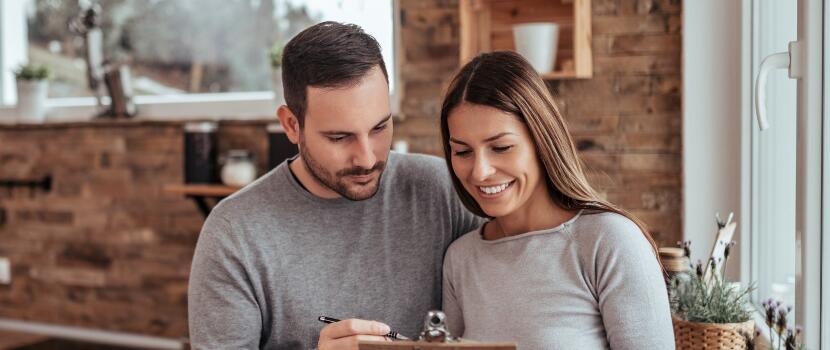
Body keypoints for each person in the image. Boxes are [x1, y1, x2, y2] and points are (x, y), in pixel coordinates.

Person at [187, 22, 481, 350]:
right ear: (291, 125)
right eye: (340, 137)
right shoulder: (234, 233)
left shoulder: (442, 191)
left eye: (380, 127)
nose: (368, 157)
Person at [439, 51, 675, 349]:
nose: (480, 171)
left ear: (541, 141)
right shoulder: (460, 259)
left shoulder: (609, 242)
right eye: (462, 152)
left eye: (500, 147)